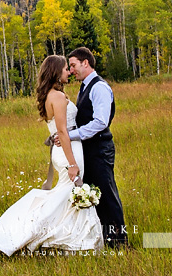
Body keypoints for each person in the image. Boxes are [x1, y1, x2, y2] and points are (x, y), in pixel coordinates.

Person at [0, 55, 103, 255]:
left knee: (66, 194)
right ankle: (47, 236)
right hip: (68, 151)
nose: (69, 72)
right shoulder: (57, 96)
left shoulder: (51, 95)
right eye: (66, 69)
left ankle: (73, 238)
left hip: (62, 150)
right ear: (56, 72)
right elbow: (63, 132)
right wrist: (72, 164)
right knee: (69, 193)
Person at [58, 46, 127, 247]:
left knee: (107, 195)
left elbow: (100, 122)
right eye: (69, 67)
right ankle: (106, 239)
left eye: (73, 65)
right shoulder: (85, 86)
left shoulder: (99, 87)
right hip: (89, 150)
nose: (71, 71)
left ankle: (120, 242)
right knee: (95, 195)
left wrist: (69, 136)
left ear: (85, 62)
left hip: (100, 149)